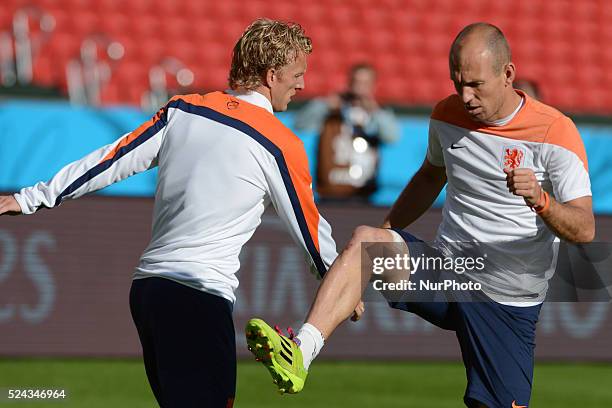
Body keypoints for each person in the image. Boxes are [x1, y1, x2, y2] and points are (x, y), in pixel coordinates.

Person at [0, 18, 347, 408]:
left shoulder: (185, 108)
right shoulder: (279, 143)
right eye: (297, 75)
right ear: (271, 75)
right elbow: (312, 235)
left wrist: (33, 197)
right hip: (199, 296)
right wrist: (341, 282)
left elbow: (111, 159)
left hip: (148, 291)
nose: (301, 85)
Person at [246, 22, 595, 407]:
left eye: (476, 85)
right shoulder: (447, 115)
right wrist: (367, 261)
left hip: (507, 299)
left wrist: (541, 200)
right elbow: (431, 175)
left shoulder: (555, 133)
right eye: (457, 83)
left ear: (507, 74)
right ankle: (301, 351)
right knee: (367, 242)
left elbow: (584, 228)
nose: (465, 96)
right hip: (447, 272)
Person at [294, 63, 399, 201]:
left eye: (365, 83)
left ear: (373, 85)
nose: (360, 87)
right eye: (356, 82)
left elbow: (392, 137)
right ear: (349, 82)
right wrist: (326, 105)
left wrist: (375, 112)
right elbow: (300, 124)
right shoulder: (331, 108)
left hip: (363, 192)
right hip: (330, 190)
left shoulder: (379, 112)